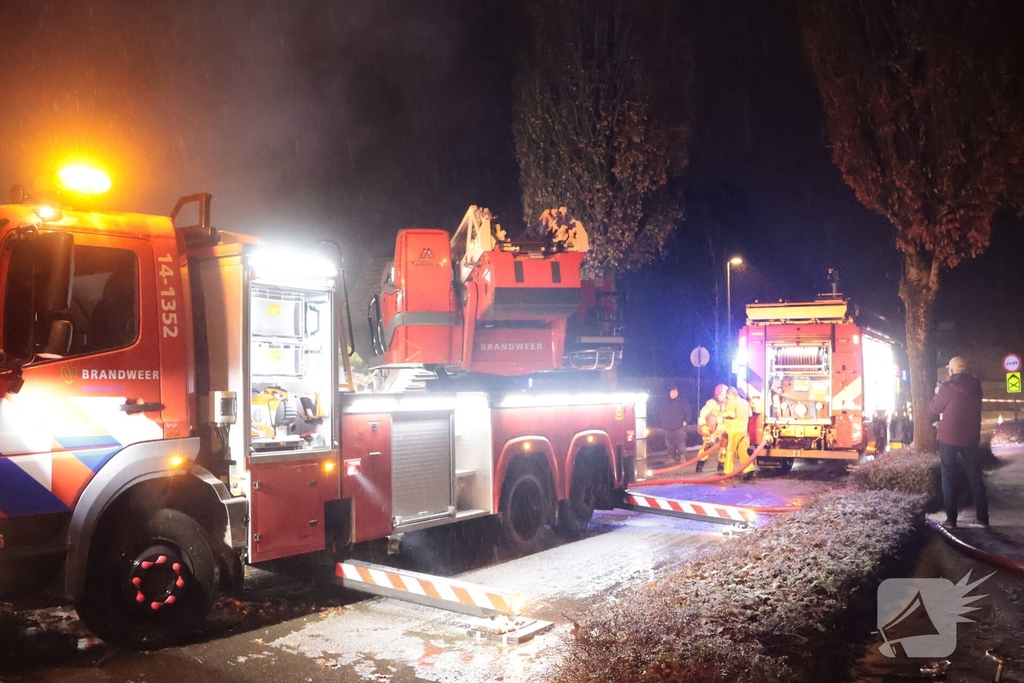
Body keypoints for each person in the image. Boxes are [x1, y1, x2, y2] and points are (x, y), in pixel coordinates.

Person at [929, 356, 988, 529]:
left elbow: (934, 408)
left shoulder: (947, 388)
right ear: (966, 370)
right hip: (971, 438)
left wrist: (937, 393)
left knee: (948, 478)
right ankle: (983, 518)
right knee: (975, 477)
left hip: (948, 438)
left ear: (951, 371)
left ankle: (951, 520)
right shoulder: (976, 386)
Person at [722, 387, 755, 478]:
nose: (727, 398)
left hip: (734, 431)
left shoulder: (732, 403)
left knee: (730, 451)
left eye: (727, 396)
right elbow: (750, 414)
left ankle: (728, 472)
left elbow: (732, 415)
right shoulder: (745, 402)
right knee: (742, 451)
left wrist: (723, 413)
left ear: (731, 394)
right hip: (744, 431)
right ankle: (749, 469)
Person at [696, 384, 729, 473]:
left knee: (724, 448)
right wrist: (703, 426)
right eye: (722, 394)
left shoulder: (728, 404)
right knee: (707, 446)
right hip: (712, 430)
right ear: (717, 394)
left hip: (723, 429)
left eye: (725, 394)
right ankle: (700, 464)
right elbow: (703, 414)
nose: (724, 396)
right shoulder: (711, 403)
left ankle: (721, 466)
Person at [661, 387, 692, 463]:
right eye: (671, 392)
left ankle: (682, 456)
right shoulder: (666, 402)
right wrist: (662, 422)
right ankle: (672, 457)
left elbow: (688, 412)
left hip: (679, 426)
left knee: (680, 442)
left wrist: (686, 421)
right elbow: (661, 412)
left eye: (674, 392)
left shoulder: (682, 401)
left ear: (677, 393)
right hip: (668, 427)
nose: (672, 394)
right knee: (670, 444)